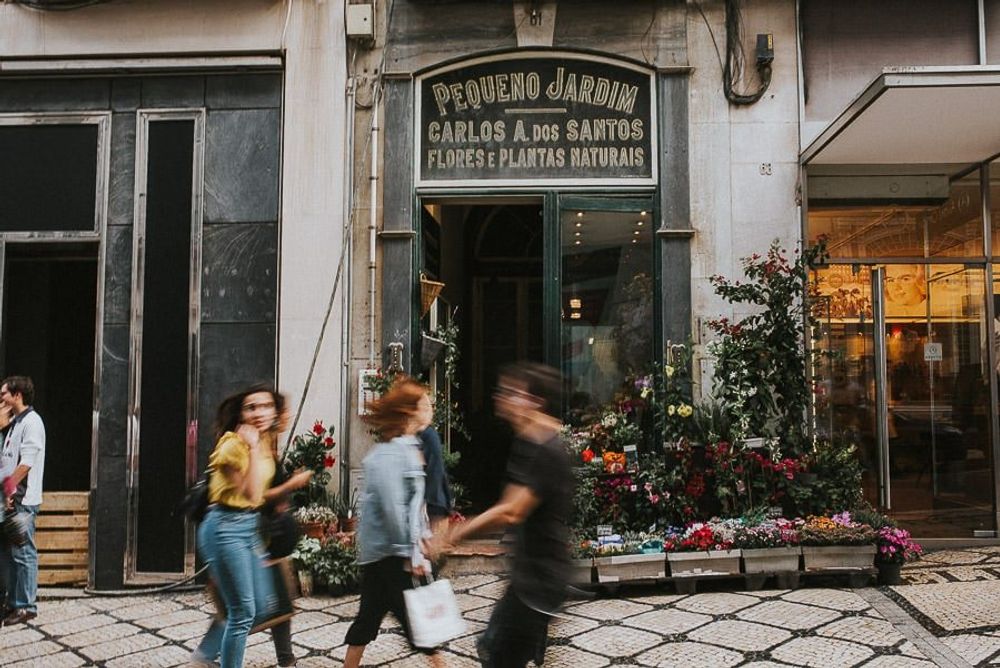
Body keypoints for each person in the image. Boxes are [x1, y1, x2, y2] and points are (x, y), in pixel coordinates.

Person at [444, 362, 572, 667]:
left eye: (513, 392)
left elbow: (513, 510)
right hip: (529, 579)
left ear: (535, 401)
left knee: (498, 657)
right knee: (496, 651)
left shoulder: (545, 449)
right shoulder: (530, 441)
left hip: (539, 581)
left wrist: (456, 533)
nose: (501, 397)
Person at [192, 388, 312, 667]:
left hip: (247, 528)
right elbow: (251, 494)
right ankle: (207, 657)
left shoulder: (263, 442)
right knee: (243, 611)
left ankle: (206, 657)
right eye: (251, 407)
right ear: (241, 413)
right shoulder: (233, 444)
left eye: (266, 406)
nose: (259, 413)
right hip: (225, 527)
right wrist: (254, 448)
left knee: (258, 607)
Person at [344, 377, 443, 668]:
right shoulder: (387, 455)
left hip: (386, 555)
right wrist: (410, 552)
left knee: (370, 619)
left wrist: (419, 538)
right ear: (408, 413)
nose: (430, 409)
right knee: (419, 626)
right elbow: (392, 509)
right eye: (424, 405)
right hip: (391, 555)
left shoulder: (409, 447)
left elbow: (412, 508)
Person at [0, 376, 46, 626]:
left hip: (22, 499)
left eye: (4, 394)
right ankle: (15, 603)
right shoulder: (16, 424)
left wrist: (9, 489)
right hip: (12, 499)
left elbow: (26, 462)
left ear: (17, 395)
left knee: (23, 552)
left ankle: (27, 606)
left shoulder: (32, 422)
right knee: (12, 552)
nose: (2, 399)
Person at [415, 392, 452, 536]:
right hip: (432, 499)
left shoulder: (428, 435)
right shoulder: (422, 435)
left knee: (433, 548)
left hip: (433, 501)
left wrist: (428, 500)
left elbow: (435, 470)